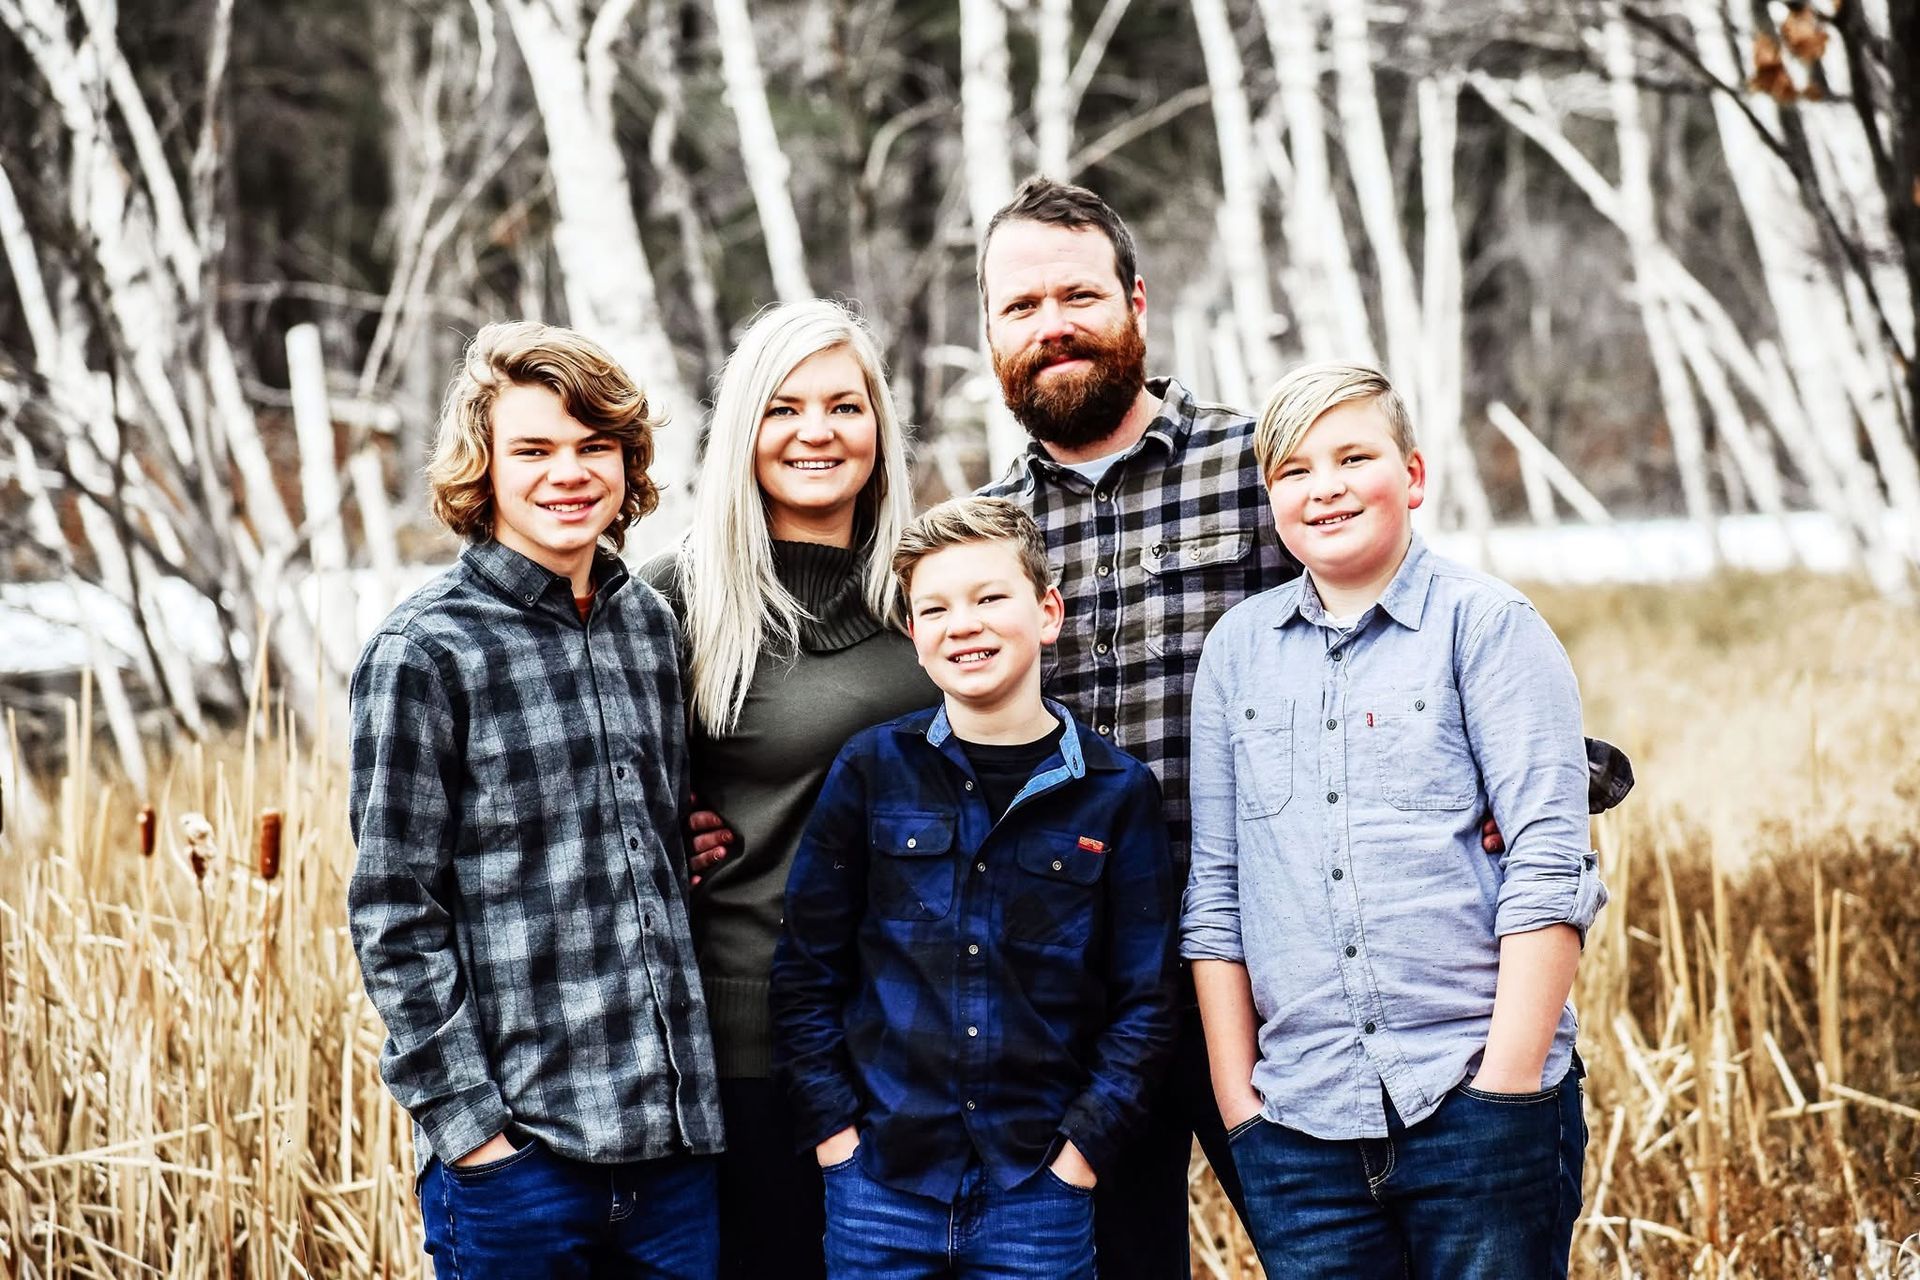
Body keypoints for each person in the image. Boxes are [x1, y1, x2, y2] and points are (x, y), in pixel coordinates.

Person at [972, 175, 1635, 1278]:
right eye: (1021, 306)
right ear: (990, 332)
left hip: (1296, 988)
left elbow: (1420, 638)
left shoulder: (1267, 464)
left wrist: (1547, 787)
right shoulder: (990, 536)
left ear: (1137, 302)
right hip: (1090, 996)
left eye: (1079, 295)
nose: (1053, 326)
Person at [1184, 362, 1605, 1277]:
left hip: (1473, 1101)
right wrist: (1238, 1107)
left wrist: (1507, 1087)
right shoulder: (1236, 654)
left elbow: (1550, 863)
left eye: (1353, 457)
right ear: (1271, 498)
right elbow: (1217, 889)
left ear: (1412, 476)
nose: (1325, 486)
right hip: (1298, 1128)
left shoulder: (1488, 627)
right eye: (1294, 469)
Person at [347, 321, 722, 1279]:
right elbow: (395, 912)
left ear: (629, 460)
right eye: (535, 450)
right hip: (525, 1164)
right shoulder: (425, 652)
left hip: (674, 1154)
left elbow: (636, 840)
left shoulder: (650, 626)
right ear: (484, 467)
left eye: (595, 447)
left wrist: (686, 849)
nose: (569, 473)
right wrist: (474, 1134)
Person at [770, 496, 1181, 1280]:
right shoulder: (870, 769)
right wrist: (836, 1141)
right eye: (936, 608)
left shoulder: (1115, 792)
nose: (965, 624)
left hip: (1039, 1190)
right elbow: (805, 971)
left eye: (991, 597)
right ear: (916, 638)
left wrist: (1082, 1156)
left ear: (1048, 611)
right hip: (881, 1184)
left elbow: (1145, 1001)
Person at [640, 299, 934, 1280]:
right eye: (784, 407)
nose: (818, 431)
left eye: (845, 405)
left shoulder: (930, 588)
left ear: (879, 426)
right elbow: (579, 790)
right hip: (749, 1052)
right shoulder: (675, 599)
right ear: (742, 431)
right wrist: (643, 839)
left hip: (929, 1044)